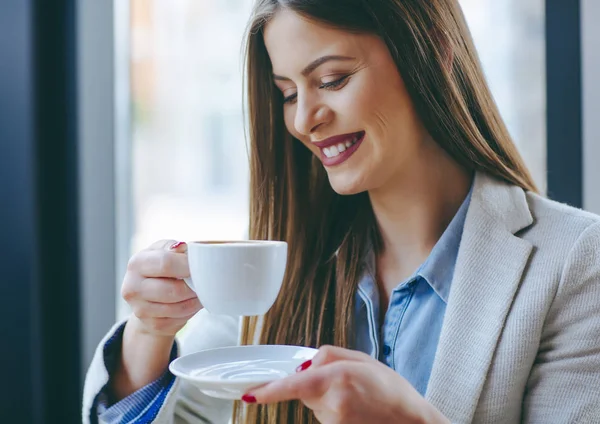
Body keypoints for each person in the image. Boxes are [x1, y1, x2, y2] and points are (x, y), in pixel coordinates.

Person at [83, 0, 600, 423]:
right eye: (287, 94)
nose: (305, 120)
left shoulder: (572, 262)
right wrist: (149, 333)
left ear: (434, 51)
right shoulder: (281, 265)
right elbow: (180, 415)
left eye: (331, 80)